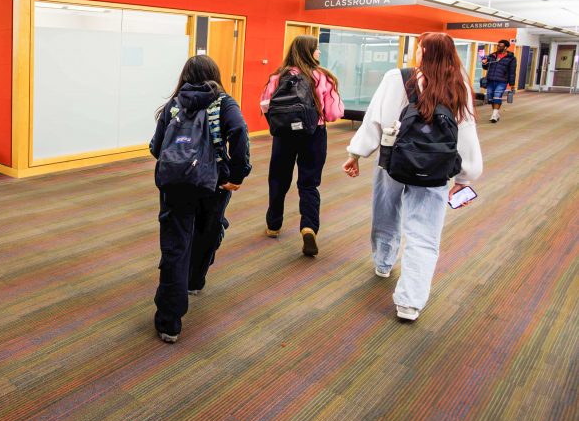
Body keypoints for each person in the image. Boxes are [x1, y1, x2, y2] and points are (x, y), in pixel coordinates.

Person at [342, 32, 482, 322]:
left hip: (393, 160)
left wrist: (356, 153)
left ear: (423, 51)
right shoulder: (459, 85)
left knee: (385, 212)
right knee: (425, 234)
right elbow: (465, 133)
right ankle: (410, 303)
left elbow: (375, 119)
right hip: (436, 167)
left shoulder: (398, 77)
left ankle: (383, 262)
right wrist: (465, 178)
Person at [149, 55, 251, 343]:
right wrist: (238, 173)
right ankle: (195, 281)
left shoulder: (174, 104)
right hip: (215, 182)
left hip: (176, 185)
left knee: (175, 247)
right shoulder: (224, 102)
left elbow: (157, 147)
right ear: (215, 74)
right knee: (207, 231)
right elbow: (240, 133)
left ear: (185, 75)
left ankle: (169, 323)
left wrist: (179, 164)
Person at [259, 35, 344, 256]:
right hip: (314, 134)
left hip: (284, 135)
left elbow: (265, 106)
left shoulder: (277, 76)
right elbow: (334, 113)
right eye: (317, 49)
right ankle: (308, 226)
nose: (319, 53)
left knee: (278, 179)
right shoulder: (323, 77)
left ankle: (273, 225)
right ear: (308, 51)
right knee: (308, 183)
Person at [481, 39, 516, 123]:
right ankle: (495, 113)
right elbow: (485, 67)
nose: (498, 47)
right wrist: (484, 63)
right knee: (491, 98)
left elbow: (512, 71)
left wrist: (512, 84)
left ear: (505, 47)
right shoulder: (492, 56)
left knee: (497, 96)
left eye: (500, 46)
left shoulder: (511, 58)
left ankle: (494, 115)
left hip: (502, 80)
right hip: (490, 79)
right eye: (498, 45)